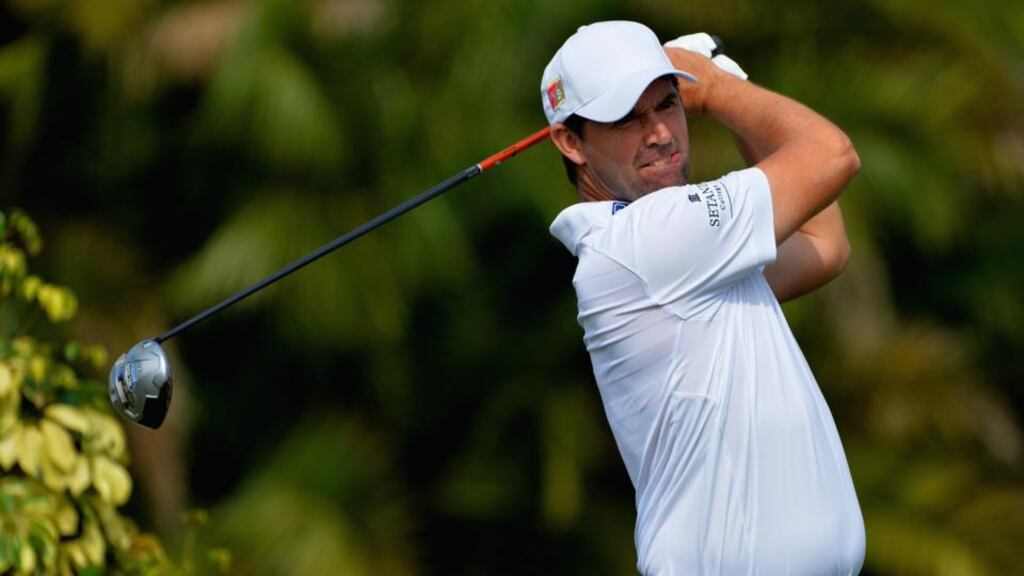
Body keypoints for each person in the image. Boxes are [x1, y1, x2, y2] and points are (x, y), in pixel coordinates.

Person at [543, 21, 866, 575]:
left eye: (669, 104)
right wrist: (716, 90)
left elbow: (824, 244)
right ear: (571, 141)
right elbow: (832, 155)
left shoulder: (689, 257)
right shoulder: (648, 239)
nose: (661, 133)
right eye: (626, 117)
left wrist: (727, 80)